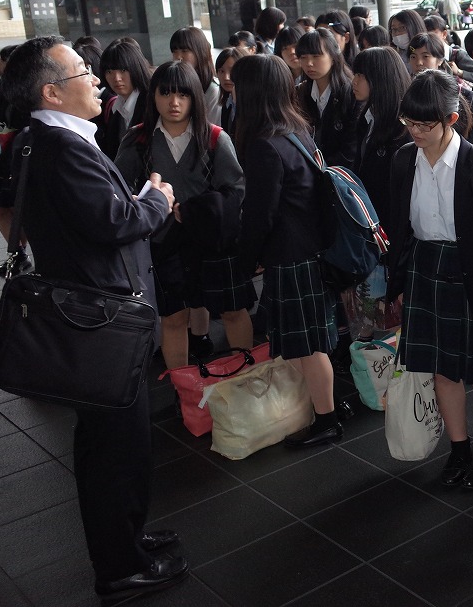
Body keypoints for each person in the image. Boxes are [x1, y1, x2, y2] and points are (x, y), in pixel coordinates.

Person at [5, 36, 184, 600]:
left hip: (92, 314)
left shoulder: (45, 139)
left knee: (114, 443)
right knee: (114, 448)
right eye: (84, 70)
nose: (98, 79)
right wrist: (155, 199)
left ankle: (126, 538)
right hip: (101, 322)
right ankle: (119, 567)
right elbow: (112, 222)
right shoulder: (61, 146)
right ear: (52, 91)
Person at [386, 70, 473, 488]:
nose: (415, 132)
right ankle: (459, 449)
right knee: (442, 368)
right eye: (410, 123)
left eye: (425, 125)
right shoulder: (404, 159)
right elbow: (400, 228)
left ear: (451, 120)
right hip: (426, 265)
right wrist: (398, 283)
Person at [232, 53, 343, 447]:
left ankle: (327, 420)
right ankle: (325, 408)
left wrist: (244, 262)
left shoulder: (265, 145)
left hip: (291, 256)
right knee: (310, 343)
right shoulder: (297, 131)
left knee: (309, 347)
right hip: (310, 251)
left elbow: (259, 214)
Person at [115, 60, 255, 370]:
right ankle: (182, 389)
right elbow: (121, 191)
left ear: (195, 97)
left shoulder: (215, 138)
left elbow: (237, 191)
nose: (174, 103)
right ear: (153, 96)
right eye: (165, 94)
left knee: (233, 310)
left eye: (183, 94)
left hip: (214, 242)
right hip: (163, 244)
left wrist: (195, 212)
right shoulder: (138, 140)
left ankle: (247, 377)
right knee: (173, 318)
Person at [350, 46, 411, 221]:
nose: (354, 81)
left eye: (361, 75)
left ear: (380, 78)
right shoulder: (367, 117)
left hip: (390, 222)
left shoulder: (403, 126)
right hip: (369, 216)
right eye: (355, 74)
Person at [294, 28, 363, 168]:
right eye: (303, 57)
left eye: (316, 56)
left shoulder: (352, 93)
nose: (309, 63)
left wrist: (323, 170)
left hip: (342, 175)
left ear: (333, 57)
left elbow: (352, 148)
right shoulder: (301, 93)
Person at [96, 37, 153, 156]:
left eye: (123, 70)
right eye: (109, 72)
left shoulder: (152, 103)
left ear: (136, 67)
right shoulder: (116, 108)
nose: (116, 78)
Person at [169, 27, 220, 121]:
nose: (178, 57)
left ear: (199, 52)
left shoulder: (213, 90)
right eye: (175, 51)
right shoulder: (174, 82)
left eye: (184, 51)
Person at [409, 32, 473, 105]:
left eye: (425, 56)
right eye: (413, 57)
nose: (419, 63)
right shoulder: (407, 87)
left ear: (440, 60)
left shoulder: (455, 89)